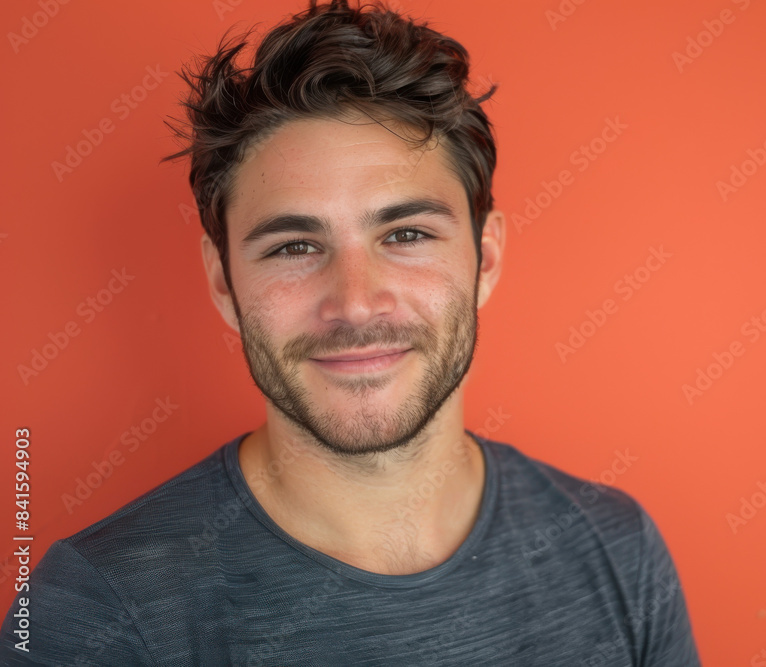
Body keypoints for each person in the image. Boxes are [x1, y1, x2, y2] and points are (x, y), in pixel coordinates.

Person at [1, 1, 701, 664]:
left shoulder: (618, 548)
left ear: (484, 258)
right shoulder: (90, 611)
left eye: (406, 233)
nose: (357, 304)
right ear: (223, 282)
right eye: (294, 247)